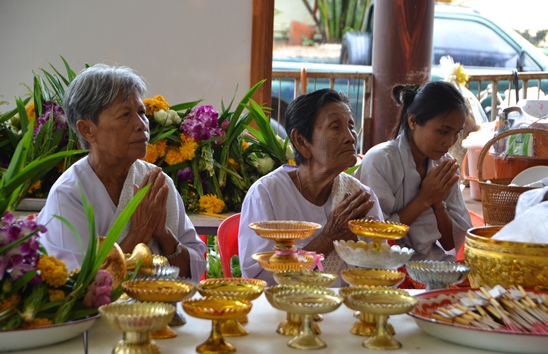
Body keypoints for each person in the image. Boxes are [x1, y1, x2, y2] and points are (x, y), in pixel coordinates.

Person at [37, 64, 206, 281]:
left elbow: (193, 270)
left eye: (141, 112)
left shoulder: (155, 181)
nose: (141, 125)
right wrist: (138, 236)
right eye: (125, 115)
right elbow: (75, 285)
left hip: (162, 310)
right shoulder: (69, 194)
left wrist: (163, 235)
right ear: (87, 130)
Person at [238, 89, 383, 286]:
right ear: (301, 141)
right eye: (335, 127)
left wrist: (363, 248)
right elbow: (258, 279)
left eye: (351, 126)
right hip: (284, 310)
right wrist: (327, 239)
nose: (350, 137)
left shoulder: (360, 197)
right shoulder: (268, 194)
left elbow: (381, 276)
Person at [355, 81, 472, 262]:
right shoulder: (380, 161)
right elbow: (375, 236)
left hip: (431, 263)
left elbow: (451, 243)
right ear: (412, 121)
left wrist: (438, 204)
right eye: (442, 131)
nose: (449, 142)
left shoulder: (444, 165)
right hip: (384, 264)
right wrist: (424, 199)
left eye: (456, 133)